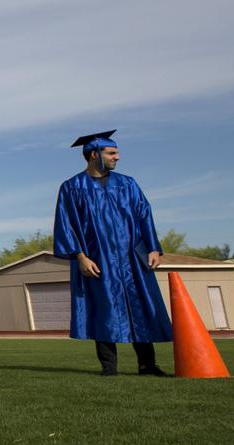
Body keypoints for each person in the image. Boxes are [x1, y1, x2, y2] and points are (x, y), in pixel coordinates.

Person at [52, 130, 172, 376]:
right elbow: (66, 224)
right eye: (112, 152)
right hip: (97, 257)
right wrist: (80, 256)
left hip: (132, 257)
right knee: (103, 307)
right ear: (94, 154)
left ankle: (147, 365)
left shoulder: (127, 184)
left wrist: (153, 248)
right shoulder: (72, 187)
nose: (118, 157)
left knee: (140, 304)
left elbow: (144, 215)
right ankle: (109, 367)